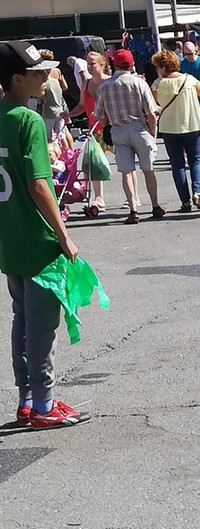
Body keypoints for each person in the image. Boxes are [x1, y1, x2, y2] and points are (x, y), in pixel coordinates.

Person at [0, 41, 89, 429]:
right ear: (17, 79)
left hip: (8, 235)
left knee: (22, 319)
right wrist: (63, 233)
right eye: (36, 73)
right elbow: (39, 184)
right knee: (42, 324)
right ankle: (43, 403)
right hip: (37, 240)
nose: (44, 77)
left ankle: (27, 397)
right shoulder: (27, 119)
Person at [94, 48, 162, 224]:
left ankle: (133, 210)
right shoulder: (139, 83)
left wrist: (108, 125)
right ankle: (155, 205)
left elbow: (99, 113)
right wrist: (152, 133)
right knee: (148, 170)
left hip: (118, 130)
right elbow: (151, 112)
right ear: (131, 64)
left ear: (113, 64)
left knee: (126, 172)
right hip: (139, 128)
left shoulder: (104, 86)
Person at [152, 49, 200, 212]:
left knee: (177, 165)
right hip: (192, 125)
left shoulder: (158, 85)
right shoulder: (190, 80)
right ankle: (198, 193)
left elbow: (154, 106)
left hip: (169, 128)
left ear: (163, 67)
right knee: (195, 160)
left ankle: (185, 201)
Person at [68, 51, 109, 214]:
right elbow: (82, 105)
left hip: (110, 128)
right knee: (94, 165)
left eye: (93, 64)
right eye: (88, 64)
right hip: (94, 129)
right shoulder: (86, 83)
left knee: (123, 163)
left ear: (102, 65)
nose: (90, 67)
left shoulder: (109, 82)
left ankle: (131, 197)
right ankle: (99, 197)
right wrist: (70, 114)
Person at [37, 50, 68, 141]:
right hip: (60, 105)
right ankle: (67, 152)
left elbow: (39, 99)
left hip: (49, 109)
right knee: (62, 134)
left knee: (47, 135)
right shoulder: (57, 71)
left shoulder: (43, 78)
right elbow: (65, 87)